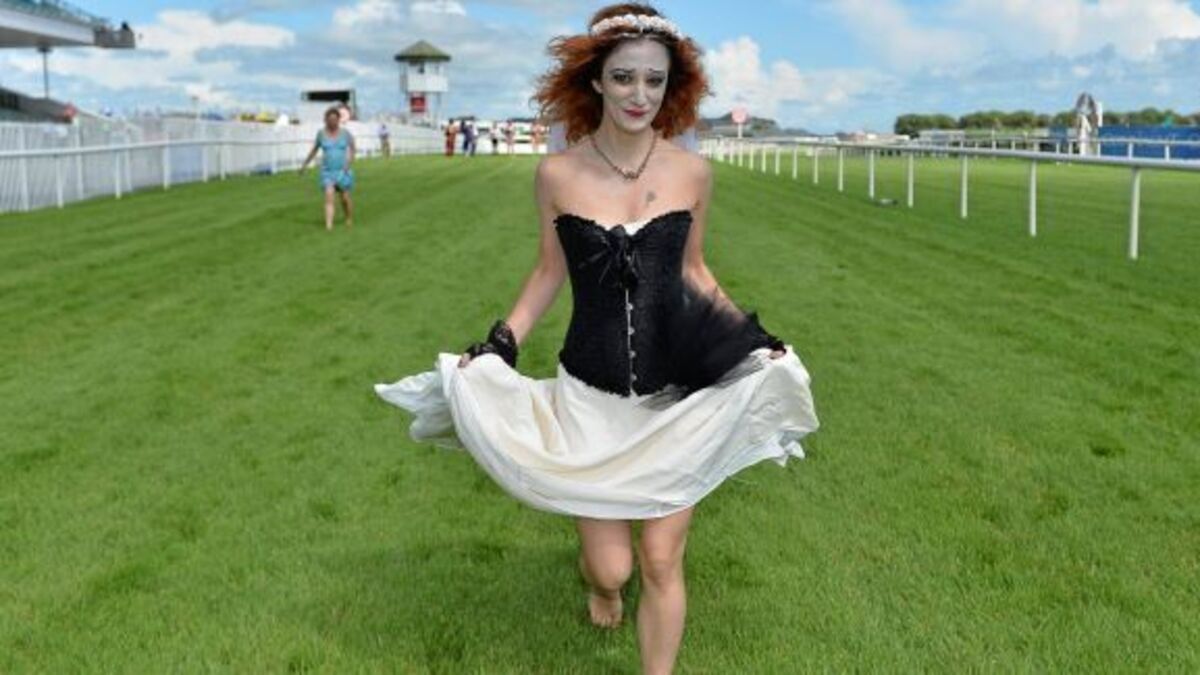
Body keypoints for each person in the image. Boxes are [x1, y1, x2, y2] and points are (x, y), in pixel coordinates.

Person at [374, 4, 818, 674]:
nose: (640, 94)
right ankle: (600, 585)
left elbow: (695, 271)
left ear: (672, 86)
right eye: (624, 77)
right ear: (596, 82)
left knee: (661, 558)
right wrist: (499, 344)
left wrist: (754, 341)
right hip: (590, 398)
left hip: (676, 394)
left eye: (654, 80)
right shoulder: (557, 175)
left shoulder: (692, 174)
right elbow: (548, 273)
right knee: (613, 568)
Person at [299, 106, 355, 231]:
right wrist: (304, 165)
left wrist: (348, 163)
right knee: (329, 195)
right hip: (327, 172)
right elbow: (314, 150)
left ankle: (348, 217)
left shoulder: (345, 134)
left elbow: (353, 148)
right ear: (325, 120)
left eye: (334, 119)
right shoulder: (321, 134)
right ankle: (329, 225)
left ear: (338, 120)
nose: (332, 122)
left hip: (342, 171)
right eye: (329, 120)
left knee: (345, 198)